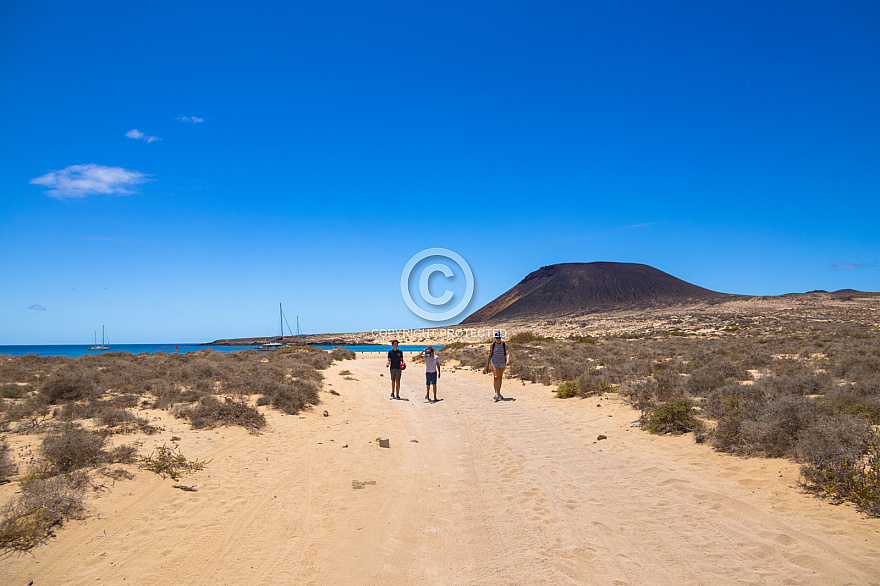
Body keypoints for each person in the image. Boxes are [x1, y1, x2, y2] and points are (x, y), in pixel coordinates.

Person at [484, 331, 509, 402]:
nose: (498, 339)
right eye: (497, 338)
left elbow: (507, 353)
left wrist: (508, 360)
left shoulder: (504, 344)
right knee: (495, 377)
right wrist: (487, 365)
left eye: (499, 337)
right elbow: (490, 354)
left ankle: (498, 392)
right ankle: (496, 393)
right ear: (495, 338)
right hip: (494, 362)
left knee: (500, 377)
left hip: (502, 362)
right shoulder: (492, 345)